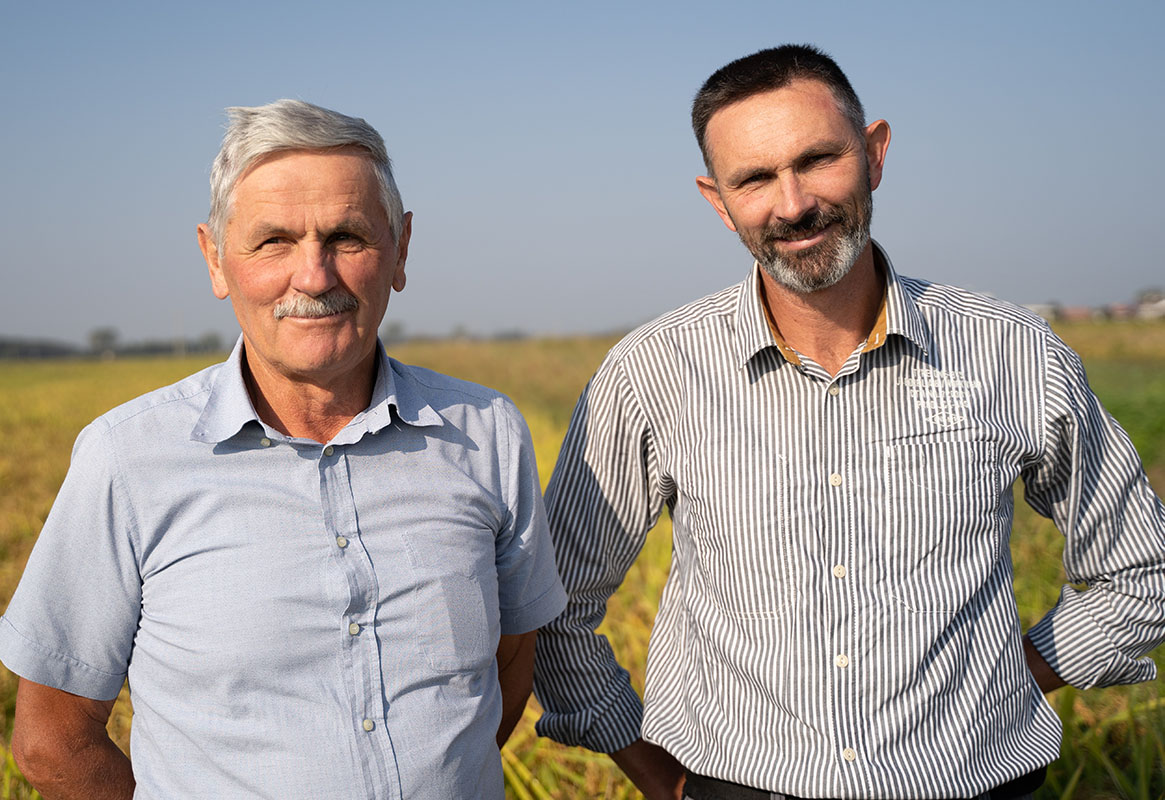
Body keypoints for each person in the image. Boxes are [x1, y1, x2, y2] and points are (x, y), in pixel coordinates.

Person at [532, 45, 1165, 800]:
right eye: (755, 178)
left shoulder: (1010, 352)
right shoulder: (652, 373)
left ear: (873, 153)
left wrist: (1010, 676)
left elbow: (1142, 571)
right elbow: (553, 604)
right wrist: (658, 778)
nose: (792, 203)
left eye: (818, 159)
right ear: (716, 199)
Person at [0, 99, 566, 799]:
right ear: (215, 259)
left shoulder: (485, 433)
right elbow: (53, 741)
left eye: (347, 237)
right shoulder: (127, 459)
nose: (314, 276)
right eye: (272, 242)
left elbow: (509, 661)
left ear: (400, 249)